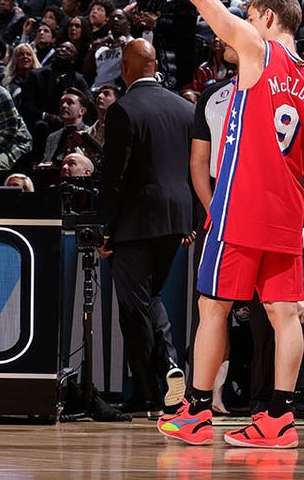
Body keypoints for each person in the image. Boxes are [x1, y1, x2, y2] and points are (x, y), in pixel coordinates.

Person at [159, 0, 304, 449]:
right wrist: (295, 210)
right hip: (283, 213)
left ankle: (197, 412)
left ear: (266, 17)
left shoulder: (259, 48)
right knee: (285, 314)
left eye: (247, 14)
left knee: (213, 307)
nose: (230, 32)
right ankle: (280, 418)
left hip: (239, 208)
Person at [97, 39, 194, 417]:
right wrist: (193, 219)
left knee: (133, 308)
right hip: (176, 220)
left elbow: (114, 178)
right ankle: (167, 371)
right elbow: (197, 167)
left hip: (135, 222)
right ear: (155, 65)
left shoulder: (123, 110)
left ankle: (149, 393)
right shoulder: (186, 109)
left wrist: (105, 228)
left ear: (125, 68)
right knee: (149, 298)